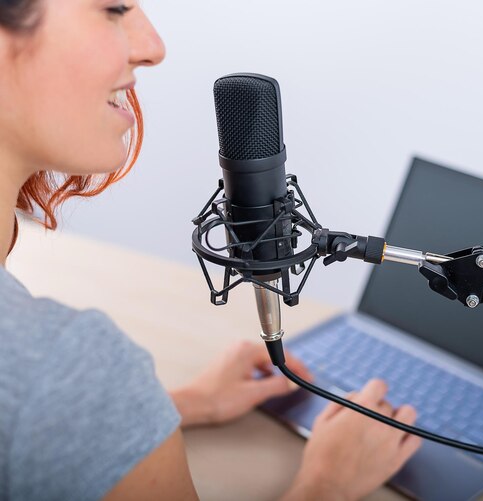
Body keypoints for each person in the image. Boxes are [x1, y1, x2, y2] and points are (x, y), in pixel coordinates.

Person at [0, 1, 422, 500]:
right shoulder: (62, 363)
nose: (153, 47)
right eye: (113, 8)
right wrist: (325, 484)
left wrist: (163, 409)